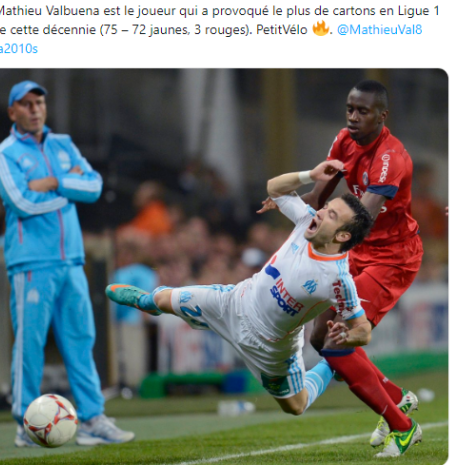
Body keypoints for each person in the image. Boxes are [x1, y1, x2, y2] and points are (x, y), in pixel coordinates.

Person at [108, 161, 422, 457]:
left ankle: (329, 367)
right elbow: (274, 188)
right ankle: (145, 301)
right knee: (164, 300)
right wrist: (310, 175)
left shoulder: (337, 279)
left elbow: (363, 329)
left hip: (271, 348)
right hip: (232, 303)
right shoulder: (306, 221)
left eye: (331, 215)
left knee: (296, 406)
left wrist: (349, 337)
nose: (320, 212)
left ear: (341, 235)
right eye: (326, 207)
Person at [0, 80, 134, 447]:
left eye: (39, 102)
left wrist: (53, 181)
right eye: (26, 104)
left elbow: (95, 187)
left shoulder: (63, 144)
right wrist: (71, 190)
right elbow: (21, 202)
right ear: (12, 112)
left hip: (71, 259)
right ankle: (24, 423)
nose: (34, 109)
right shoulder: (4, 154)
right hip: (31, 262)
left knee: (81, 339)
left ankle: (92, 418)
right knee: (30, 343)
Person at [289, 80, 423, 450]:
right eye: (350, 108)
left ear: (382, 116)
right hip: (356, 252)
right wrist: (286, 202)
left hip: (392, 258)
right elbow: (318, 196)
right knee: (320, 339)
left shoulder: (390, 158)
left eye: (363, 111)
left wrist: (320, 245)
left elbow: (359, 220)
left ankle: (403, 426)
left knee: (338, 343)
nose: (353, 117)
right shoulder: (343, 141)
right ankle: (397, 398)